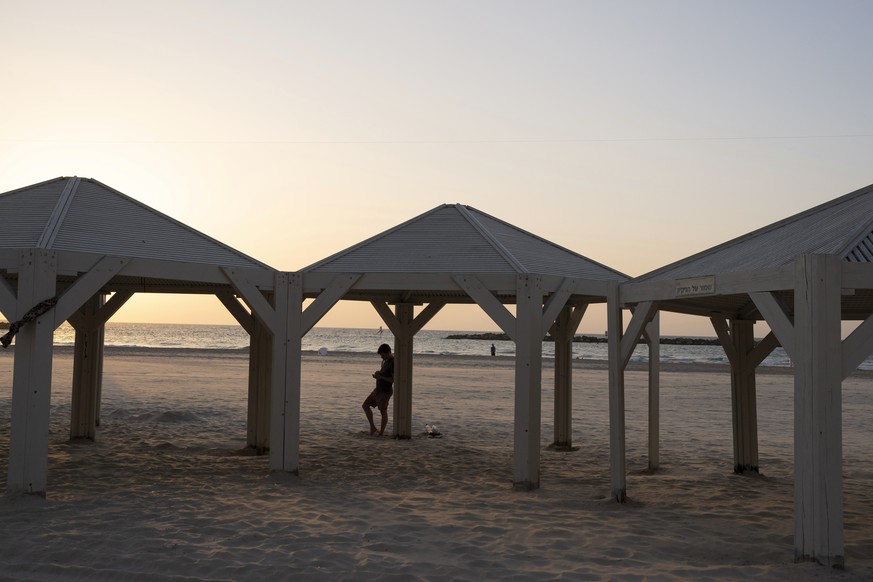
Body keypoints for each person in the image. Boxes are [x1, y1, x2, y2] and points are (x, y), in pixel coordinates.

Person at [362, 343, 394, 436]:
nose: (381, 357)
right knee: (365, 405)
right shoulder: (385, 361)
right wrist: (378, 374)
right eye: (380, 355)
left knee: (383, 411)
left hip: (385, 391)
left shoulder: (392, 362)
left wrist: (380, 377)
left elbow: (392, 380)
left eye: (382, 355)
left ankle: (381, 432)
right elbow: (383, 375)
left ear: (388, 352)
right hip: (378, 389)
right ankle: (373, 427)